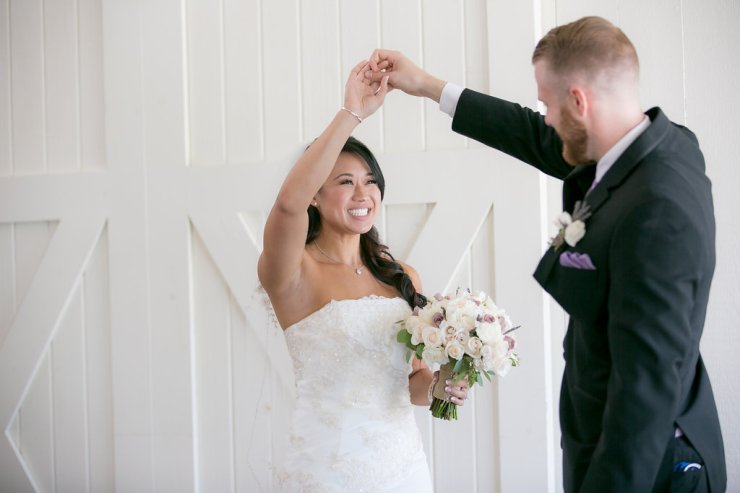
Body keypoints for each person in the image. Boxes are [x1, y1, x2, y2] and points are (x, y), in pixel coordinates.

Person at [366, 15, 726, 493]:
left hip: (647, 467)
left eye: (548, 106)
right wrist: (429, 87)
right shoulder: (661, 147)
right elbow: (533, 136)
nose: (547, 119)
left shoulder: (656, 210)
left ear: (579, 101)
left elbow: (646, 388)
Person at [258, 60, 468, 492]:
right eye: (345, 182)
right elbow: (287, 205)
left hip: (404, 469)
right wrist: (351, 112)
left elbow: (412, 381)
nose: (363, 194)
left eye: (370, 181)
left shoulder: (401, 276)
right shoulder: (293, 271)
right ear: (315, 196)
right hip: (327, 471)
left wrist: (441, 387)